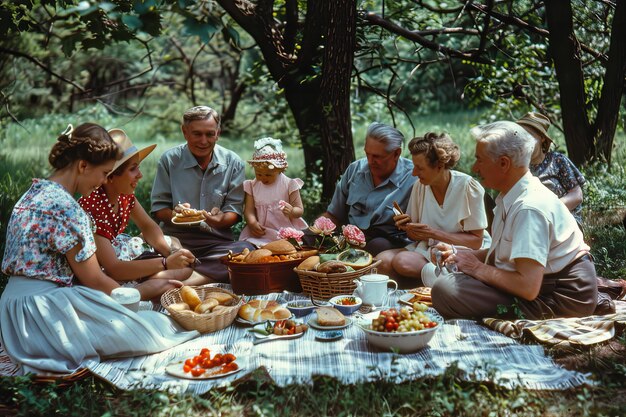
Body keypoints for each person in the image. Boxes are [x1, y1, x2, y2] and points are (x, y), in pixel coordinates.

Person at [0, 123, 198, 376]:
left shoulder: (33, 193)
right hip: (43, 314)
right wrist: (139, 294)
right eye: (104, 172)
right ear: (83, 166)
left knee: (149, 320)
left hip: (12, 314)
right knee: (157, 328)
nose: (105, 180)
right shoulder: (69, 210)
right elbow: (94, 280)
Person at [431, 121, 611, 320]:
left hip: (560, 297)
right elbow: (503, 254)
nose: (474, 168)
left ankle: (594, 300)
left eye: (479, 160)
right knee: (450, 284)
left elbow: (527, 287)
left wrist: (475, 267)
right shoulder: (510, 195)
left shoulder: (529, 208)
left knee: (445, 289)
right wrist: (459, 255)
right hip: (540, 286)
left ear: (504, 163)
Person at [79, 129, 208, 301]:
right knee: (181, 269)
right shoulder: (93, 207)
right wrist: (165, 263)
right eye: (133, 169)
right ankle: (147, 285)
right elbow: (113, 267)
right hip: (106, 269)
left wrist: (169, 253)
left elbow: (148, 226)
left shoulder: (124, 195)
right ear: (109, 176)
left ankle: (158, 279)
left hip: (121, 251)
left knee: (176, 247)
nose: (140, 175)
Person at [151, 106, 254, 282]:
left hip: (217, 242)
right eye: (197, 134)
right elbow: (159, 208)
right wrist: (177, 215)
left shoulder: (233, 162)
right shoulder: (169, 159)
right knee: (147, 252)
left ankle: (185, 277)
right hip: (176, 240)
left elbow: (234, 211)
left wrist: (219, 220)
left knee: (246, 250)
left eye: (210, 134)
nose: (203, 141)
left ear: (218, 133)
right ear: (185, 132)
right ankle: (203, 273)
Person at [377, 132, 490, 287]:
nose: (414, 173)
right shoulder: (420, 186)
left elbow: (477, 241)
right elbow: (414, 237)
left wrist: (433, 233)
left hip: (460, 251)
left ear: (439, 166)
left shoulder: (467, 186)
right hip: (428, 249)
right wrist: (409, 228)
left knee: (403, 262)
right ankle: (429, 286)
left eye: (419, 168)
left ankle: (442, 286)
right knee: (382, 261)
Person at [322, 122, 416, 255]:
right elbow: (333, 215)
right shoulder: (355, 169)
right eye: (367, 154)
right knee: (306, 238)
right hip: (349, 238)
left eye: (377, 156)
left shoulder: (414, 177)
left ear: (396, 154)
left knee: (377, 245)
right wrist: (316, 230)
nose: (370, 161)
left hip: (388, 241)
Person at [516, 112, 585, 226]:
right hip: (531, 223)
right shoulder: (518, 167)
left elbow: (577, 196)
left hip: (564, 221)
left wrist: (548, 209)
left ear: (542, 138)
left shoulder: (557, 160)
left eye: (530, 136)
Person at [239, 137, 307, 246]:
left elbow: (299, 210)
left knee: (287, 250)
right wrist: (252, 223)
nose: (263, 178)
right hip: (261, 232)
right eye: (259, 174)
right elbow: (249, 210)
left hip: (284, 232)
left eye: (268, 175)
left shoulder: (289, 184)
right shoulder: (252, 185)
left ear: (279, 170)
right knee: (251, 249)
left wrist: (292, 211)